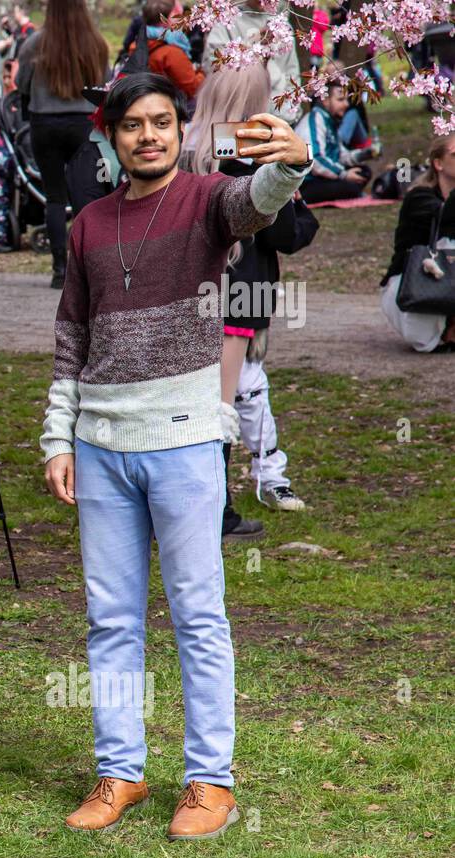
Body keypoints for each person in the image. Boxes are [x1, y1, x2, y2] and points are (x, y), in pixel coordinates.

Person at [39, 73, 311, 840]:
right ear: (112, 135)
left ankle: (209, 783)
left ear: (179, 128)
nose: (148, 135)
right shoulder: (88, 223)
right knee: (112, 621)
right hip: (101, 446)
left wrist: (291, 164)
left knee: (198, 616)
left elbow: (255, 202)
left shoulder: (204, 200)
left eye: (161, 122)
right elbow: (71, 336)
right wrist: (59, 437)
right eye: (133, 125)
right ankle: (120, 770)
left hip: (187, 439)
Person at [182, 63, 318, 520]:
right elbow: (288, 236)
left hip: (193, 292)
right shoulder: (260, 160)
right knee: (223, 401)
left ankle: (265, 478)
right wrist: (287, 184)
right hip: (240, 293)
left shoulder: (184, 151)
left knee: (221, 391)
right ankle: (215, 511)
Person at [16, 0, 109, 287]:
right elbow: (103, 85)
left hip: (44, 123)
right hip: (83, 124)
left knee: (54, 197)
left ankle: (59, 269)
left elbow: (21, 83)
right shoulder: (96, 43)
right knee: (84, 197)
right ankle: (84, 269)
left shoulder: (34, 44)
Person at [380, 132, 455, 352]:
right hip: (412, 286)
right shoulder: (419, 197)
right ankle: (444, 329)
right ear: (438, 163)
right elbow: (444, 218)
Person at [202, 0, 302, 125]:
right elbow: (212, 66)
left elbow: (291, 74)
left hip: (275, 116)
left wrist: (286, 114)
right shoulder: (227, 20)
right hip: (234, 115)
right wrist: (253, 45)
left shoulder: (281, 25)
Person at [295, 74, 377, 202]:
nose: (346, 104)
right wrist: (343, 175)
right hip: (307, 182)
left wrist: (364, 154)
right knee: (351, 187)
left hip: (324, 176)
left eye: (346, 100)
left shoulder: (329, 120)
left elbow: (340, 155)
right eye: (340, 100)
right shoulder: (315, 119)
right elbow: (315, 159)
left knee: (364, 172)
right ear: (325, 100)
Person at [126, 0, 205, 100]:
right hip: (171, 105)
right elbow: (192, 88)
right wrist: (202, 72)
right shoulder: (171, 53)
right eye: (177, 14)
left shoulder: (138, 44)